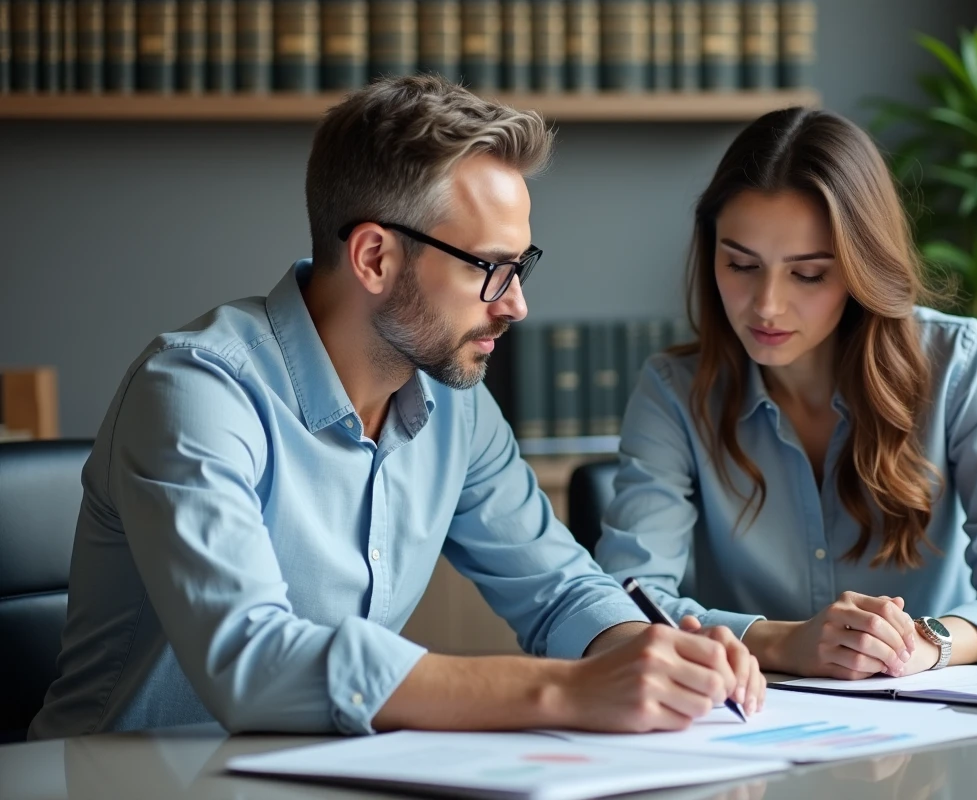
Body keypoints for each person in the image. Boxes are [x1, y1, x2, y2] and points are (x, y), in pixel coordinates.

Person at [29, 75, 765, 740]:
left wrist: (646, 650)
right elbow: (249, 660)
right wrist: (565, 689)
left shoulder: (456, 406)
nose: (516, 303)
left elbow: (559, 589)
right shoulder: (196, 392)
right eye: (490, 268)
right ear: (375, 257)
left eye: (521, 265)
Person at [595, 107, 977, 681]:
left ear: (860, 268)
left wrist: (927, 642)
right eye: (741, 264)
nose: (767, 304)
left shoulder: (958, 362)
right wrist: (783, 643)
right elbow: (627, 602)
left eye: (808, 274)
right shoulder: (674, 391)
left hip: (930, 730)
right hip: (747, 726)